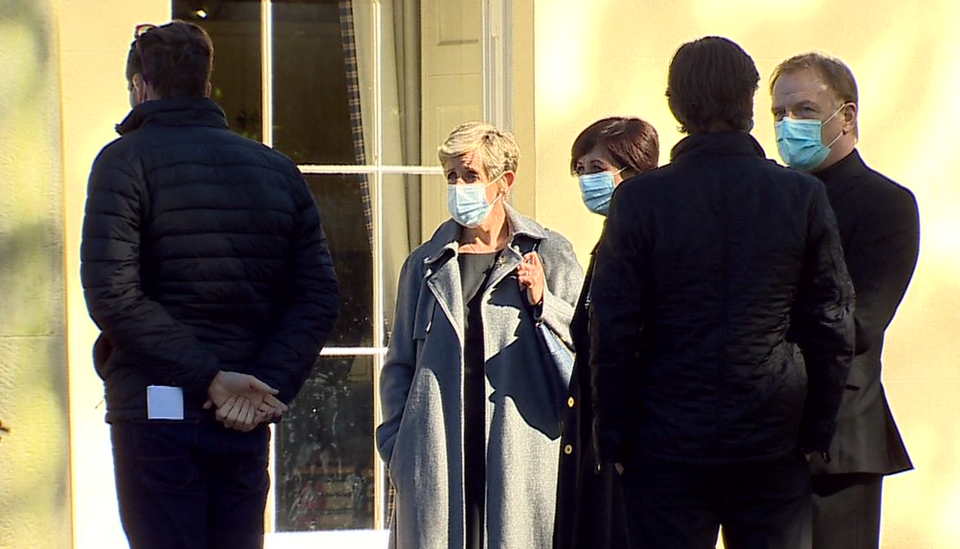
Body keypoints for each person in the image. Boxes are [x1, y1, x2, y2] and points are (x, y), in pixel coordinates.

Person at [589, 36, 856, 549]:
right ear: (750, 102)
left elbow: (615, 328)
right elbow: (831, 322)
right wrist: (815, 430)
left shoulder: (641, 201)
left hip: (664, 439)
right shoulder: (799, 195)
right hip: (771, 437)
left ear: (676, 107)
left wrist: (615, 436)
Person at [81, 21, 340, 549]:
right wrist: (262, 386)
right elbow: (316, 295)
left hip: (158, 411)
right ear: (206, 83)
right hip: (241, 413)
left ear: (140, 85)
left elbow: (113, 293)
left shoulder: (124, 160)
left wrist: (212, 379)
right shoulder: (275, 168)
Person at [376, 121, 583, 548]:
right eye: (451, 176)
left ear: (504, 182)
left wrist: (544, 302)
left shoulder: (548, 252)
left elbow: (584, 348)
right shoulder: (425, 263)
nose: (459, 186)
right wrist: (399, 446)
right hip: (437, 454)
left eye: (470, 175)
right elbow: (399, 365)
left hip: (520, 454)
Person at [770, 51, 920, 549]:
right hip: (761, 440)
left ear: (846, 116)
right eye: (778, 114)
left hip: (839, 443)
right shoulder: (770, 200)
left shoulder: (886, 204)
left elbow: (858, 324)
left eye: (805, 111)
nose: (788, 124)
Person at [553, 116, 660, 549]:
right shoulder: (608, 240)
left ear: (632, 171)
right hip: (594, 438)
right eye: (580, 170)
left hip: (630, 444)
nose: (586, 181)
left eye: (596, 169)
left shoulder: (647, 242)